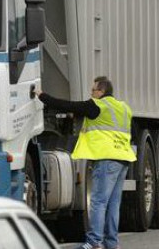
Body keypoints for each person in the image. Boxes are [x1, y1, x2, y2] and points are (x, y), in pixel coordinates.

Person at [37, 77, 136, 249]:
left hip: (106, 159)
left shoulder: (97, 106)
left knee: (98, 201)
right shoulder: (124, 108)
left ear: (101, 91)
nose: (91, 94)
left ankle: (94, 242)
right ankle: (112, 243)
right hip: (123, 158)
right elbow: (132, 133)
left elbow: (68, 105)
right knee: (113, 203)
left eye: (93, 91)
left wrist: (42, 96)